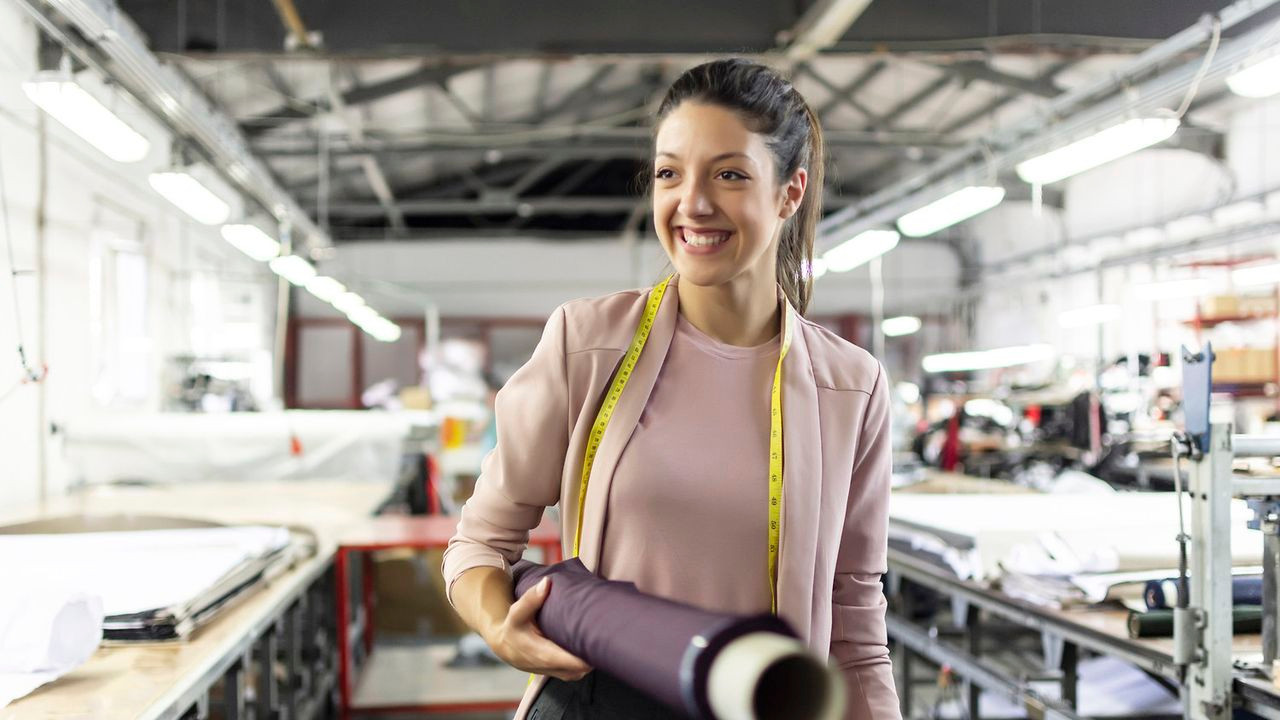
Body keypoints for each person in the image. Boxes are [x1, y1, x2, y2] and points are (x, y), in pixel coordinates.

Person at [443, 58, 900, 720]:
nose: (693, 201)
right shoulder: (588, 345)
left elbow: (853, 621)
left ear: (789, 193)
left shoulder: (849, 387)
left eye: (730, 174)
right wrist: (498, 627)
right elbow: (479, 543)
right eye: (669, 173)